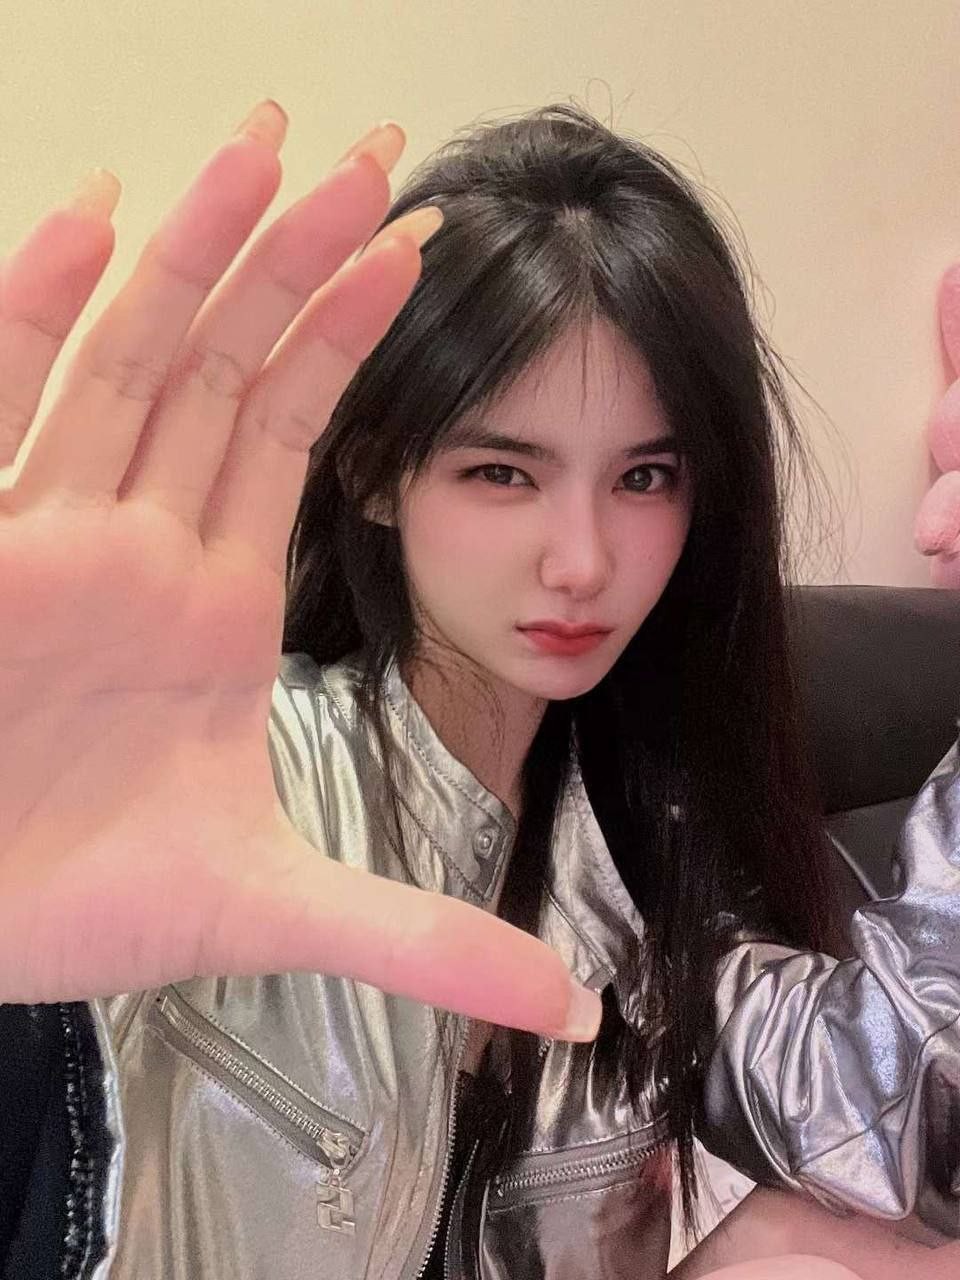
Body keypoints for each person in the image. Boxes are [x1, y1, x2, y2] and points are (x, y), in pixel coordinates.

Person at [0, 98, 958, 1280]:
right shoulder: (212, 788)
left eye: (645, 476)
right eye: (504, 471)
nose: (584, 561)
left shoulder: (642, 857)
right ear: (375, 473)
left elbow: (899, 1100)